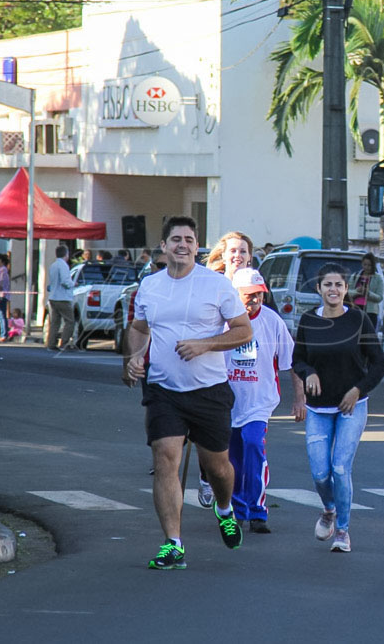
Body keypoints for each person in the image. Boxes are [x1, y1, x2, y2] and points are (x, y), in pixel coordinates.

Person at [125, 216, 253, 570]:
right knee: (166, 457)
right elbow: (138, 327)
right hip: (164, 390)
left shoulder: (216, 286)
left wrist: (205, 344)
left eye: (189, 239)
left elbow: (244, 332)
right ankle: (173, 543)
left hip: (209, 391)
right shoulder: (150, 286)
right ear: (164, 247)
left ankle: (224, 508)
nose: (182, 244)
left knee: (219, 468)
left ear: (198, 247)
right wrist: (133, 358)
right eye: (176, 239)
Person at [293, 263, 384, 553]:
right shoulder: (309, 320)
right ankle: (328, 509)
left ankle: (343, 531)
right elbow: (297, 358)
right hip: (319, 409)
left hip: (352, 406)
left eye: (339, 285)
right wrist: (308, 371)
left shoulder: (358, 320)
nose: (333, 290)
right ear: (318, 289)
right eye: (327, 285)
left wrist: (358, 389)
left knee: (340, 467)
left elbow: (380, 363)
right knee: (320, 473)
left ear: (347, 289)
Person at [226, 268, 305, 534]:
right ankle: (236, 509)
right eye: (248, 296)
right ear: (234, 295)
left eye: (259, 295)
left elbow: (292, 362)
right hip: (226, 403)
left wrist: (299, 399)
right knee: (232, 457)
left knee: (252, 446)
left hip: (259, 402)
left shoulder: (272, 322)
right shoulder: (221, 321)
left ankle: (257, 510)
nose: (254, 300)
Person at [197, 230, 254, 507]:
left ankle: (236, 494)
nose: (238, 256)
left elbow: (267, 322)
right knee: (207, 430)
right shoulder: (212, 284)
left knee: (237, 434)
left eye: (243, 251)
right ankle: (207, 476)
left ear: (250, 257)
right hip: (212, 366)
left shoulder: (256, 285)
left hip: (244, 372)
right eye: (233, 251)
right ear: (223, 255)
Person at [46, 245, 76, 351]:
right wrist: (73, 284)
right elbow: (65, 281)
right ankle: (64, 343)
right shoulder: (63, 266)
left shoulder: (53, 265)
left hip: (53, 297)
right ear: (66, 254)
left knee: (55, 322)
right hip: (62, 297)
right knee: (70, 321)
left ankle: (51, 343)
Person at [348, 253, 384, 332]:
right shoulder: (355, 276)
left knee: (368, 334)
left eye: (369, 265)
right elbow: (347, 292)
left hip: (370, 312)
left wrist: (368, 293)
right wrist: (357, 291)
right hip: (356, 309)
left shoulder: (378, 278)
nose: (367, 267)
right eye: (365, 265)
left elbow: (379, 297)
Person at [0, 254, 11, 338]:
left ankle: (4, 334)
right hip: (1, 294)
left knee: (1, 314)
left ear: (0, 260)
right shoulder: (1, 270)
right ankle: (1, 333)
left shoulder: (2, 271)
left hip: (2, 295)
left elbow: (0, 284)